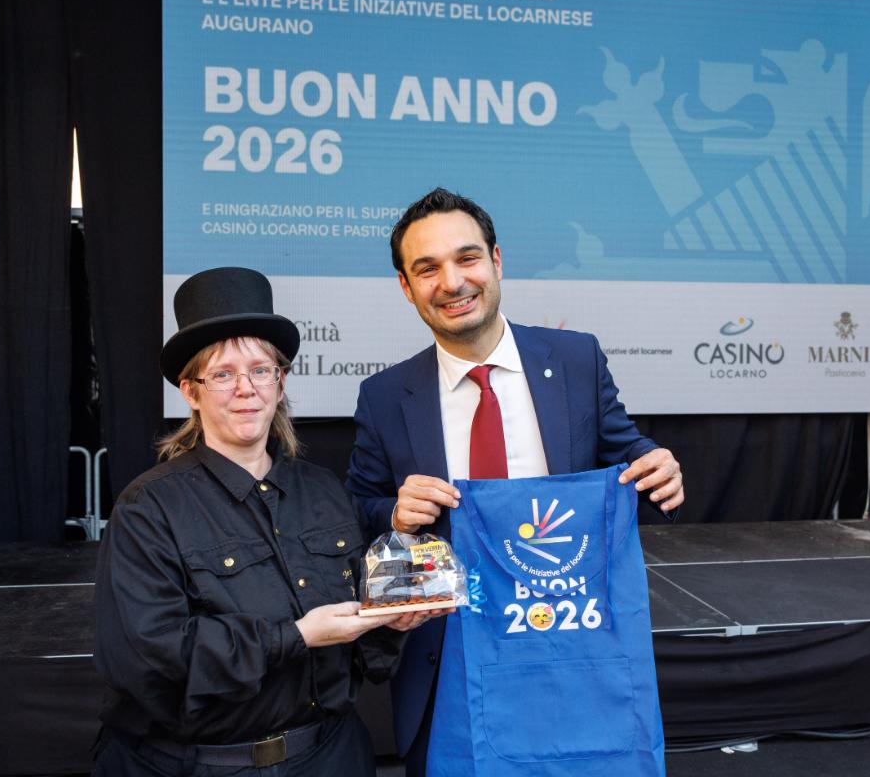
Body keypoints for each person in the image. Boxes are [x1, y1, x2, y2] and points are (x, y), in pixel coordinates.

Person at [346, 188, 685, 776]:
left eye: (467, 258)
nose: (452, 282)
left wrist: (657, 466)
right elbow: (356, 512)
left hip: (570, 649)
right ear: (406, 286)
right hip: (451, 666)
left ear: (496, 260)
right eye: (427, 268)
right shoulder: (385, 397)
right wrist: (394, 516)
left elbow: (627, 452)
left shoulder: (576, 360)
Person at [93, 267, 441, 777]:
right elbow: (147, 660)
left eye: (260, 370)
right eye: (223, 374)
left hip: (330, 758)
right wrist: (295, 636)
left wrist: (388, 622)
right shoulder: (148, 509)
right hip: (199, 767)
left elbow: (361, 653)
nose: (246, 389)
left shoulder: (325, 492)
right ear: (191, 391)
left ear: (280, 383)